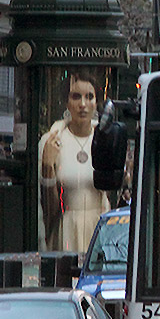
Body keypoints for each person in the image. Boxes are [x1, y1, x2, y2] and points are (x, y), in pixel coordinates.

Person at [40, 72, 110, 252]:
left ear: (96, 102)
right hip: (66, 234)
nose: (83, 104)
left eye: (89, 97)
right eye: (76, 97)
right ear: (67, 103)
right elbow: (49, 210)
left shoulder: (105, 140)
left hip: (99, 232)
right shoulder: (52, 141)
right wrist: (48, 167)